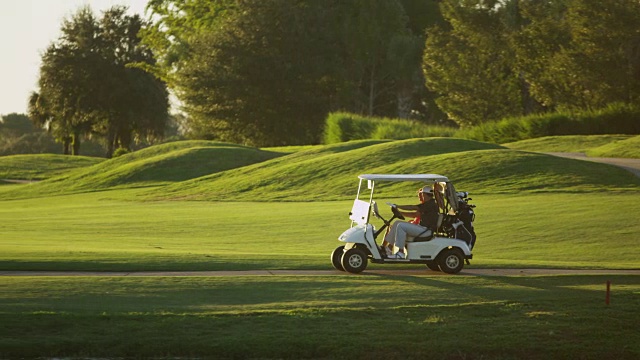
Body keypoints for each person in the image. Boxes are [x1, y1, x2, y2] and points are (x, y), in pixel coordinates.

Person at [381, 186, 440, 259]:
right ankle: (388, 249)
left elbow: (413, 207)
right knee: (397, 223)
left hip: (426, 230)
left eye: (422, 194)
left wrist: (398, 206)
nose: (421, 196)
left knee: (401, 226)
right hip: (423, 228)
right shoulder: (429, 203)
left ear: (425, 194)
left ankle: (401, 253)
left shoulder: (430, 204)